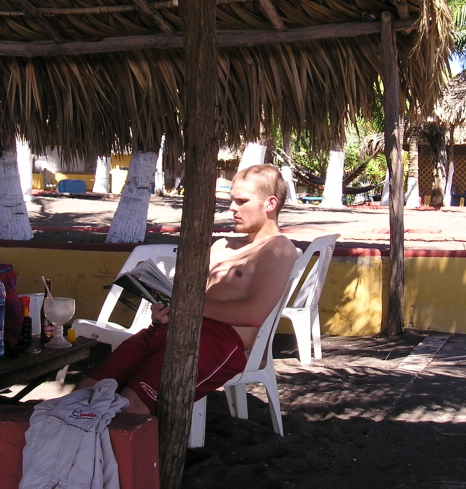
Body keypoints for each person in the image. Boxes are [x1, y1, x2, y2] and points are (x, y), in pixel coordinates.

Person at [77, 164, 299, 414]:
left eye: (241, 201)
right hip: (170, 329)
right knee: (86, 392)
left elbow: (253, 314)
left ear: (270, 204)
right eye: (231, 200)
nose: (232, 208)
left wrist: (185, 307)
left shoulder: (278, 249)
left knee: (132, 405)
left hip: (219, 342)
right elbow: (197, 297)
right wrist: (166, 310)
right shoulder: (221, 245)